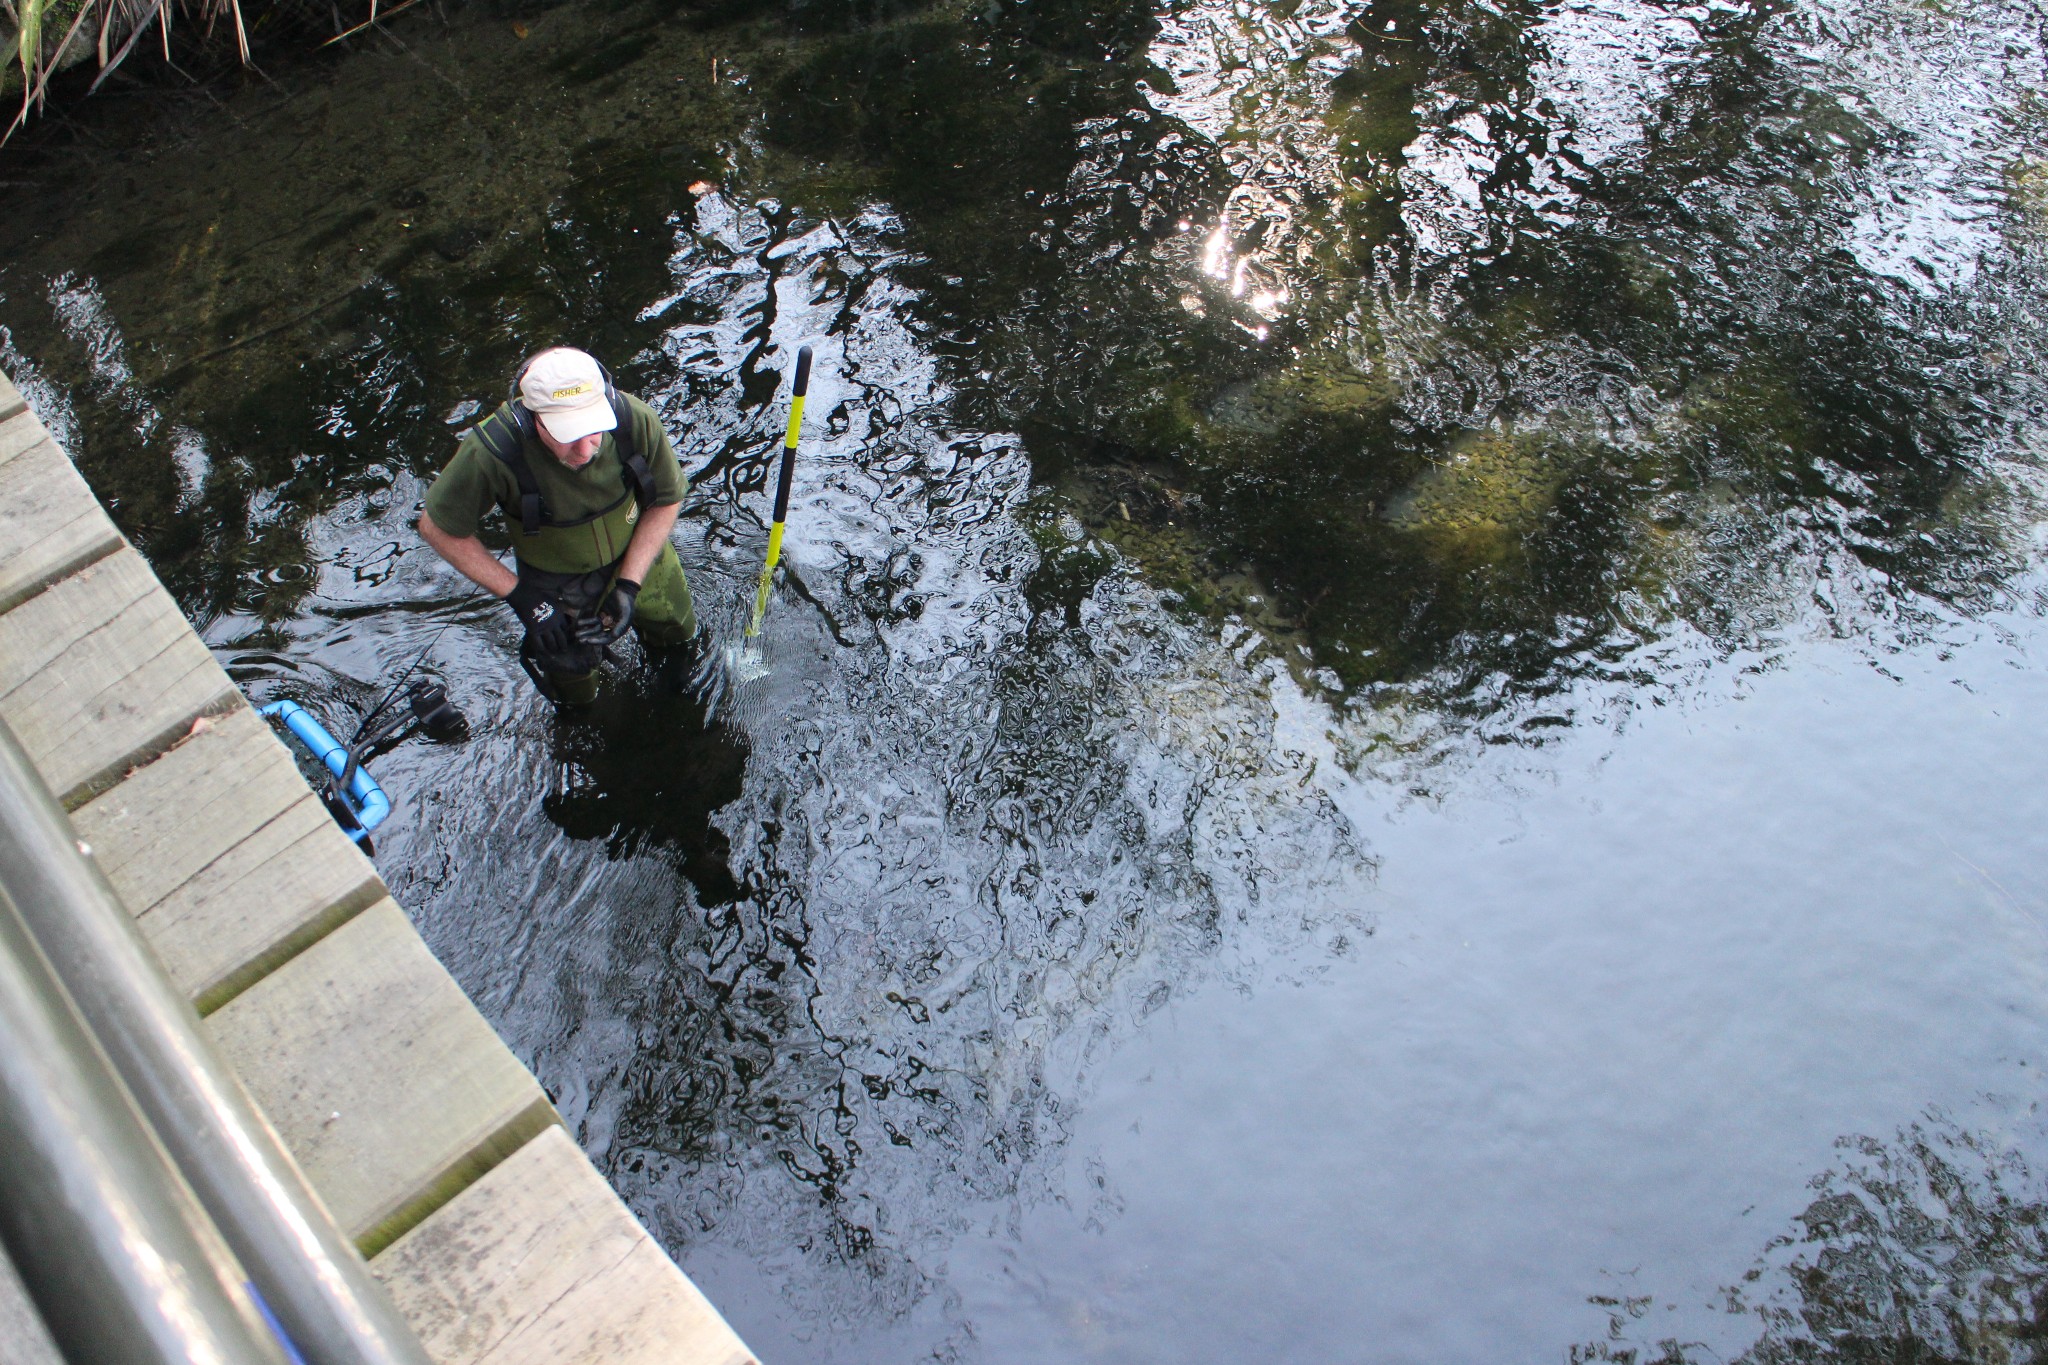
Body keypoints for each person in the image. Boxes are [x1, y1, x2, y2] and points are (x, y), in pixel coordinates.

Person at [418, 347, 697, 705]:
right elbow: (436, 528)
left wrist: (629, 583)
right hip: (556, 586)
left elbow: (666, 500)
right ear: (534, 419)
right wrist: (524, 599)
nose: (585, 450)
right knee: (574, 686)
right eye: (568, 434)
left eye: (594, 430)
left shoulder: (634, 418)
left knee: (679, 639)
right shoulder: (493, 451)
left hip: (642, 554)